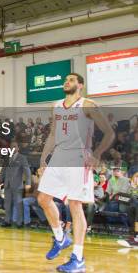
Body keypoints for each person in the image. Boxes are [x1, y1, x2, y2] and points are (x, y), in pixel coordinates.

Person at [37, 73, 114, 272]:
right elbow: (53, 135)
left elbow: (109, 133)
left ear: (80, 85)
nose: (67, 82)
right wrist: (43, 159)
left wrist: (96, 154)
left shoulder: (87, 105)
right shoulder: (55, 106)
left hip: (79, 157)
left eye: (71, 80)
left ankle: (78, 258)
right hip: (59, 156)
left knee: (75, 205)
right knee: (43, 199)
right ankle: (61, 238)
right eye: (66, 79)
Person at [0, 141, 31, 227]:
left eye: (14, 146)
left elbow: (27, 171)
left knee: (18, 204)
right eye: (11, 146)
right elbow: (3, 171)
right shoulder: (7, 158)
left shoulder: (22, 158)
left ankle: (19, 223)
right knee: (7, 204)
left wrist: (28, 183)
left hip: (17, 185)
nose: (12, 148)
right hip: (7, 184)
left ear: (18, 148)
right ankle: (7, 221)